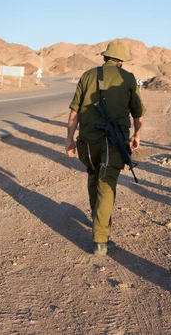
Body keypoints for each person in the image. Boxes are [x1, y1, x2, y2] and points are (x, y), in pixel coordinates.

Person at [66, 41, 145, 256]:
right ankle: (100, 240)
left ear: (105, 57)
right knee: (106, 184)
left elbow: (74, 114)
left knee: (93, 176)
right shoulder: (127, 79)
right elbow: (138, 113)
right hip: (114, 142)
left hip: (87, 141)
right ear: (121, 61)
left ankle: (98, 221)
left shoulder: (87, 75)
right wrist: (137, 134)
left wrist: (69, 140)